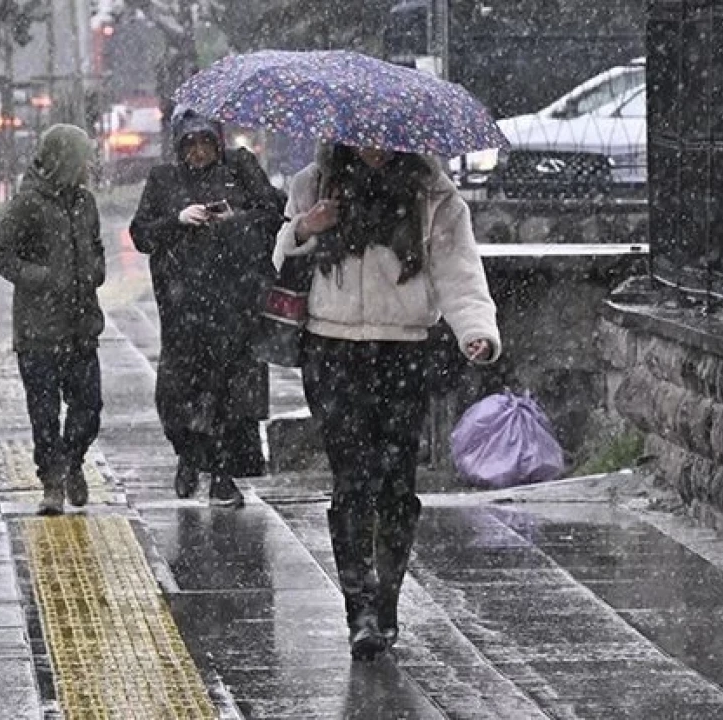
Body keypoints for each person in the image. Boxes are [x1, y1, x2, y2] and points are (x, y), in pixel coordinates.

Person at [275, 143, 501, 660]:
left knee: (398, 481)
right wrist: (308, 226)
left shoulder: (432, 193)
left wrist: (476, 332)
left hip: (403, 350)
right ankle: (361, 612)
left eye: (384, 141)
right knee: (351, 479)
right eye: (362, 139)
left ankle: (388, 597)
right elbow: (282, 250)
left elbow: (459, 270)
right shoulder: (315, 181)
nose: (373, 149)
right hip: (331, 350)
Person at [129, 109, 284, 508]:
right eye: (190, 144)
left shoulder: (242, 167)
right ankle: (188, 455)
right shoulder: (164, 179)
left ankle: (222, 475)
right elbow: (142, 234)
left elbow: (273, 214)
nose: (199, 152)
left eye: (206, 143)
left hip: (235, 304)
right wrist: (177, 221)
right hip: (183, 309)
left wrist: (235, 220)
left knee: (231, 396)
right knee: (179, 393)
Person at [0, 124, 105, 516]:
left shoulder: (86, 203)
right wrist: (41, 278)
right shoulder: (29, 203)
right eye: (83, 156)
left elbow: (97, 247)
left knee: (88, 407)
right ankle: (51, 479)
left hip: (82, 324)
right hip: (39, 330)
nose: (89, 164)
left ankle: (73, 460)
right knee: (44, 413)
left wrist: (95, 271)